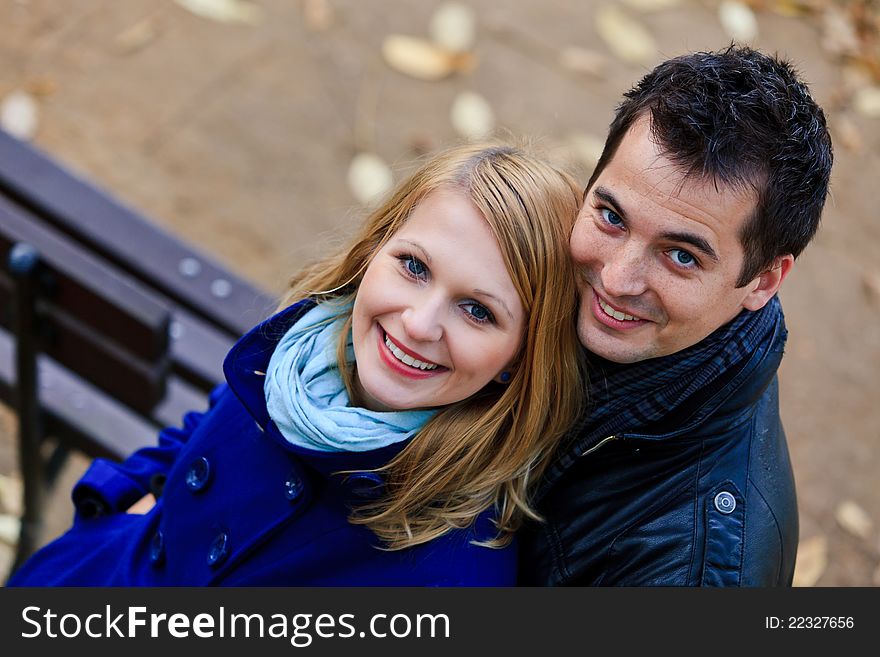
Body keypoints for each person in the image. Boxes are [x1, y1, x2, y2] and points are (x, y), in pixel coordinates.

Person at [9, 142, 585, 586]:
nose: (418, 323)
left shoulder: (452, 568)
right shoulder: (292, 355)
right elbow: (203, 428)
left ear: (521, 359)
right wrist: (121, 504)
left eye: (477, 311)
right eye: (413, 267)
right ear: (372, 253)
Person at [518, 45, 833, 586]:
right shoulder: (538, 267)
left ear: (763, 281)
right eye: (612, 216)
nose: (616, 280)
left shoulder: (686, 575)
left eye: (681, 255)